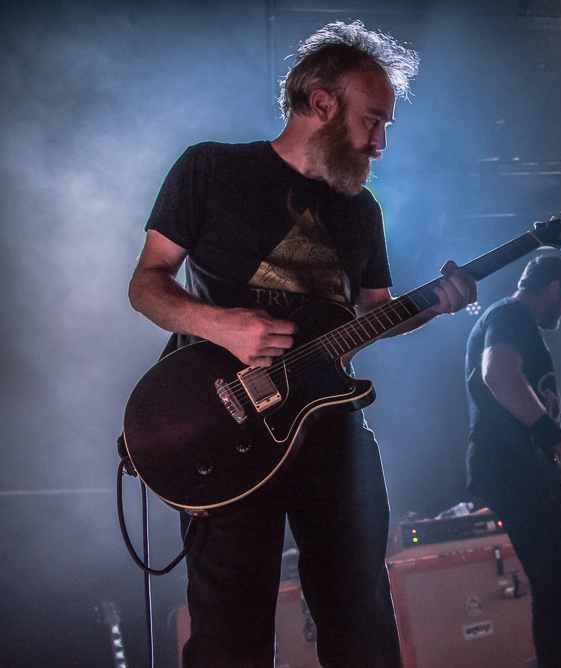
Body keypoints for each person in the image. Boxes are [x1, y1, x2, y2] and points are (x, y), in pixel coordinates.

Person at [127, 21, 476, 668]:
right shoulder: (211, 168)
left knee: (360, 620)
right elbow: (146, 286)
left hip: (332, 430)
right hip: (229, 429)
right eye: (373, 121)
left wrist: (437, 303)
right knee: (232, 632)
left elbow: (377, 315)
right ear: (321, 104)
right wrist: (222, 325)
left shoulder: (360, 209)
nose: (381, 141)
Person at [465, 255, 561, 668]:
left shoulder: (516, 320)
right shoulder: (512, 313)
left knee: (558, 584)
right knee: (555, 584)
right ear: (553, 286)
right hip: (510, 470)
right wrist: (559, 443)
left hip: (523, 469)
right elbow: (498, 374)